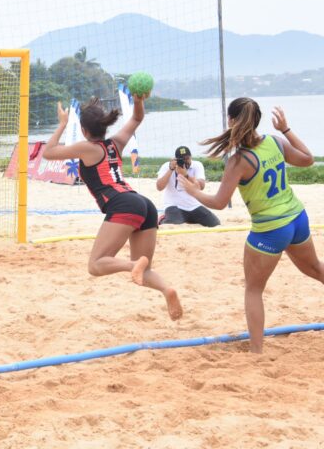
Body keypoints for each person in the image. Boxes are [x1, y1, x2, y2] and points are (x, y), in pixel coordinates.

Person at [179, 98, 322, 353]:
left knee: (254, 290)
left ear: (232, 120)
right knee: (315, 269)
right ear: (257, 120)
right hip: (296, 218)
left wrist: (193, 192)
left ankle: (256, 353)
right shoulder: (275, 141)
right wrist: (286, 129)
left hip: (271, 229)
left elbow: (220, 202)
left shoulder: (238, 161)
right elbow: (308, 159)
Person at [42, 97, 183, 321]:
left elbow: (48, 153)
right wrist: (138, 100)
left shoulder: (87, 148)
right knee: (143, 273)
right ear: (105, 126)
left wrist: (61, 124)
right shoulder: (115, 143)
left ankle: (133, 265)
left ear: (84, 129)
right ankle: (167, 290)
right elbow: (137, 117)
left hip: (123, 204)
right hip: (144, 204)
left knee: (96, 264)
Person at [156, 146, 220, 227]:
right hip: (173, 205)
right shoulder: (167, 166)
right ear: (176, 159)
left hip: (193, 205)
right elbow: (159, 187)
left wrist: (186, 175)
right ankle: (163, 217)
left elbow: (201, 186)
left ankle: (187, 219)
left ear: (191, 157)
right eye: (182, 159)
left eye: (187, 158)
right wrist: (171, 169)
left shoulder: (197, 165)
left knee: (214, 223)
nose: (185, 161)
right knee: (174, 223)